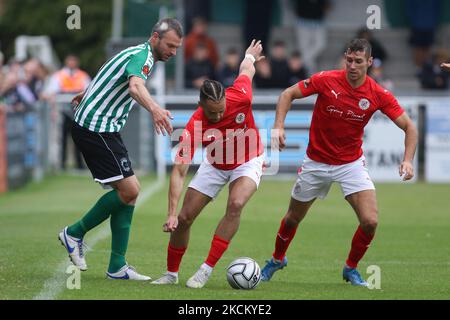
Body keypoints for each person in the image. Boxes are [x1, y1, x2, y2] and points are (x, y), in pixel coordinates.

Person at [260, 39, 418, 286]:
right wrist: (278, 126)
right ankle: (277, 259)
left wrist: (407, 160)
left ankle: (350, 268)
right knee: (292, 218)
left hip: (350, 164)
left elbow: (409, 127)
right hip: (316, 162)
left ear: (369, 62)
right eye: (349, 60)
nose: (352, 66)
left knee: (370, 221)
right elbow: (287, 94)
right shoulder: (326, 79)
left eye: (358, 61)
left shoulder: (377, 94)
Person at [58, 18, 183, 281]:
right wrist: (156, 109)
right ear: (155, 37)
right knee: (131, 190)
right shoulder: (144, 58)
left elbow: (109, 69)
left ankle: (117, 266)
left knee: (130, 194)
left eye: (177, 48)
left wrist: (88, 90)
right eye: (170, 46)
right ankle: (74, 232)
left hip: (104, 128)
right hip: (96, 128)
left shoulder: (135, 52)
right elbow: (135, 86)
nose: (173, 52)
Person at [151, 40, 265, 288]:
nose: (217, 116)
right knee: (184, 218)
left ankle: (205, 269)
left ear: (226, 99)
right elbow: (179, 171)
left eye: (221, 110)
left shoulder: (241, 96)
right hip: (215, 164)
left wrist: (250, 56)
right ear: (201, 105)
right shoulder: (194, 127)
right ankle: (171, 274)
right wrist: (171, 214)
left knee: (235, 204)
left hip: (248, 159)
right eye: (211, 113)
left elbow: (246, 71)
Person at [45, 55, 91, 169]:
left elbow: (88, 90)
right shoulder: (58, 76)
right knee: (62, 137)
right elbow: (50, 92)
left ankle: (80, 165)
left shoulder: (82, 75)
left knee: (79, 137)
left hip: (77, 111)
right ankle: (62, 164)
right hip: (62, 111)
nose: (71, 63)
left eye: (73, 61)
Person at [292, 0, 330, 73]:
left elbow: (327, 5)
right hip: (302, 22)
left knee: (320, 44)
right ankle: (309, 73)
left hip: (318, 22)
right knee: (303, 48)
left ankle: (300, 62)